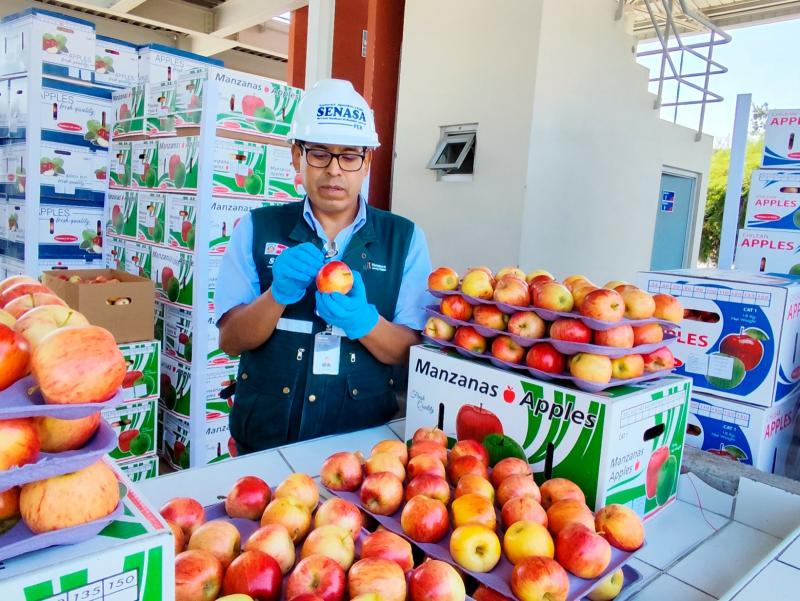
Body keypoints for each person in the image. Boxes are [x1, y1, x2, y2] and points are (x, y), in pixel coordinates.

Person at [215, 78, 433, 454]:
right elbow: (231, 341)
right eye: (319, 153)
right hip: (268, 440)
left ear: (367, 161)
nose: (334, 170)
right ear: (296, 156)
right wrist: (276, 295)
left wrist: (365, 322)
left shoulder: (404, 239)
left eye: (349, 156)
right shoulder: (255, 228)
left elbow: (410, 353)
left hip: (363, 448)